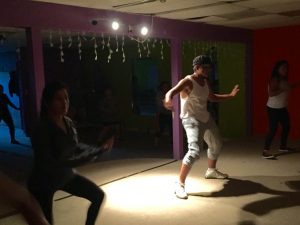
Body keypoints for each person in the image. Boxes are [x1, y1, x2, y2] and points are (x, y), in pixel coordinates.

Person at [28, 81, 115, 225]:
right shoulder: (41, 129)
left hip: (64, 176)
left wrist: (96, 150)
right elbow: (53, 162)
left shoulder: (68, 122)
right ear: (47, 102)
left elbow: (74, 146)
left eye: (66, 98)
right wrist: (87, 157)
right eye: (58, 99)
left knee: (97, 196)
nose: (64, 102)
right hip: (43, 182)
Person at [164, 55, 240, 199]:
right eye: (204, 67)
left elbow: (212, 98)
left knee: (217, 144)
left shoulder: (205, 81)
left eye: (209, 68)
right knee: (194, 152)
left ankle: (211, 171)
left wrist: (230, 95)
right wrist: (168, 99)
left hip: (205, 117)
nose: (207, 70)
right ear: (196, 67)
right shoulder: (187, 81)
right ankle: (179, 184)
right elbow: (171, 92)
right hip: (191, 119)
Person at [263, 60, 300, 159]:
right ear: (277, 69)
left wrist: (295, 85)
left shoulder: (282, 79)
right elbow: (271, 93)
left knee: (287, 126)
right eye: (283, 68)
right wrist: (284, 89)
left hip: (282, 107)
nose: (285, 70)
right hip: (273, 108)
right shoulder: (275, 79)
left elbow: (287, 87)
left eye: (286, 68)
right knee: (273, 130)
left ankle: (283, 147)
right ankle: (265, 152)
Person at [155, 81, 172, 146]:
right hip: (162, 113)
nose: (166, 88)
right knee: (160, 128)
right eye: (164, 86)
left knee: (172, 129)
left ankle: (173, 142)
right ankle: (156, 139)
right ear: (161, 87)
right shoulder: (159, 94)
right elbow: (160, 105)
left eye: (167, 86)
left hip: (170, 114)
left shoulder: (171, 93)